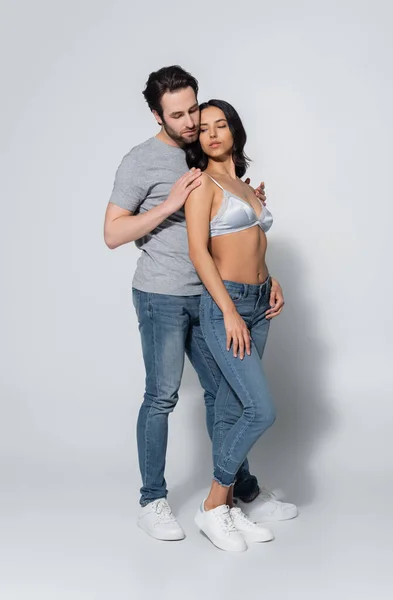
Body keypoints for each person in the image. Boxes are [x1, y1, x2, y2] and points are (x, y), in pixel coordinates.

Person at [104, 66, 294, 542]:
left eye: (194, 109)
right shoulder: (140, 161)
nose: (191, 122)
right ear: (156, 115)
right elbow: (111, 234)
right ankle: (153, 499)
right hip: (164, 295)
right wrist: (168, 205)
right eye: (179, 115)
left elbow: (230, 224)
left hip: (215, 294)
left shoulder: (206, 151)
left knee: (226, 397)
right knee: (163, 396)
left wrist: (250, 212)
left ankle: (235, 493)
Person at [185, 99, 297, 552]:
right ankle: (213, 505)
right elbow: (200, 252)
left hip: (258, 301)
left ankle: (229, 505)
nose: (212, 133)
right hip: (225, 305)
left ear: (235, 130)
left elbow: (251, 240)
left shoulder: (243, 185)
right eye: (204, 127)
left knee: (231, 407)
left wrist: (272, 278)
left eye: (221, 125)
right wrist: (229, 311)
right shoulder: (202, 184)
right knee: (260, 410)